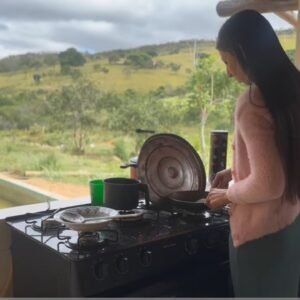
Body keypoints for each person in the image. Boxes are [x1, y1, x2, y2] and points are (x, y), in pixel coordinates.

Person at [207, 9, 300, 297]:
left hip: (258, 236)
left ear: (243, 53)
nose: (227, 71)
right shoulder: (292, 88)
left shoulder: (252, 101)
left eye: (227, 61)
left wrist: (227, 194)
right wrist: (235, 171)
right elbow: (281, 158)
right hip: (289, 225)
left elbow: (269, 183)